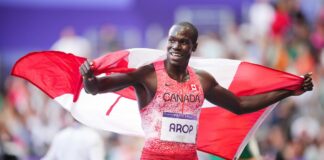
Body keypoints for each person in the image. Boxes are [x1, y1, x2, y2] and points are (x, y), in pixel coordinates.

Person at [79, 22, 313, 160]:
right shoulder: (147, 75)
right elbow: (95, 88)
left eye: (182, 42)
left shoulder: (202, 80)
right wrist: (89, 77)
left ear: (194, 47)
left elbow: (241, 106)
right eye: (172, 40)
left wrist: (288, 91)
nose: (175, 46)